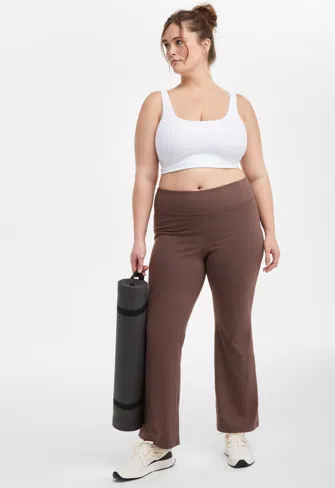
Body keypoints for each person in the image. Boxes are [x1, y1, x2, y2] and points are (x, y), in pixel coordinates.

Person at [113, 3, 280, 482]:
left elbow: (258, 172)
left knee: (234, 328)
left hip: (237, 222)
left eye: (179, 42)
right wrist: (139, 236)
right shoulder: (156, 103)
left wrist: (270, 230)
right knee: (162, 334)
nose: (171, 51)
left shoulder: (240, 105)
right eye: (166, 45)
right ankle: (157, 441)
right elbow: (145, 175)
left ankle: (237, 430)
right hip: (176, 228)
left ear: (204, 44)